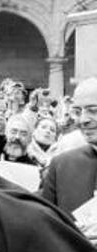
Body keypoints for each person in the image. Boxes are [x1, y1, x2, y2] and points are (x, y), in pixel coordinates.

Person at [40, 77, 97, 242]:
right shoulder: (61, 165)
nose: (83, 120)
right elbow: (45, 229)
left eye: (93, 110)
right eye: (78, 112)